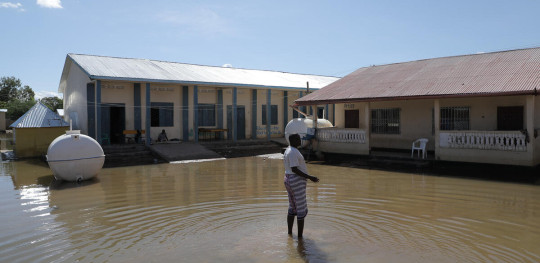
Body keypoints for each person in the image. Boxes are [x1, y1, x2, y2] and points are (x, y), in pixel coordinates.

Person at [283, 133, 319, 238]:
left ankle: (289, 233)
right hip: (295, 180)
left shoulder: (288, 150)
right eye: (298, 139)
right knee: (300, 209)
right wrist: (310, 177)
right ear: (293, 140)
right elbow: (294, 169)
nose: (300, 140)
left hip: (289, 179)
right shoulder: (293, 152)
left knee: (292, 206)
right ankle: (300, 238)